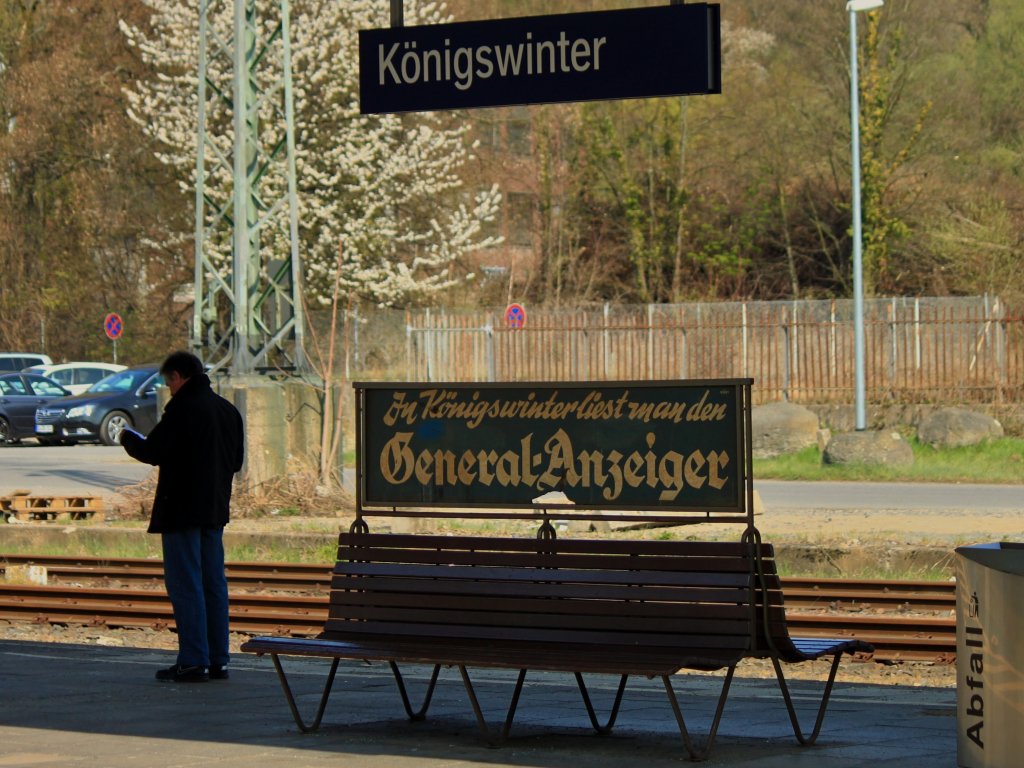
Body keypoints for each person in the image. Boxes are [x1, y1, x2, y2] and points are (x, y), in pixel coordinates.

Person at [120, 351, 244, 683]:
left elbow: (152, 451)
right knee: (214, 584)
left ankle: (193, 660)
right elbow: (236, 462)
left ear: (178, 376)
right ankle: (218, 660)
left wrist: (127, 438)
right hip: (215, 510)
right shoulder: (228, 410)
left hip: (180, 511)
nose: (168, 388)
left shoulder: (183, 409)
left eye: (168, 381)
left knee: (186, 584)